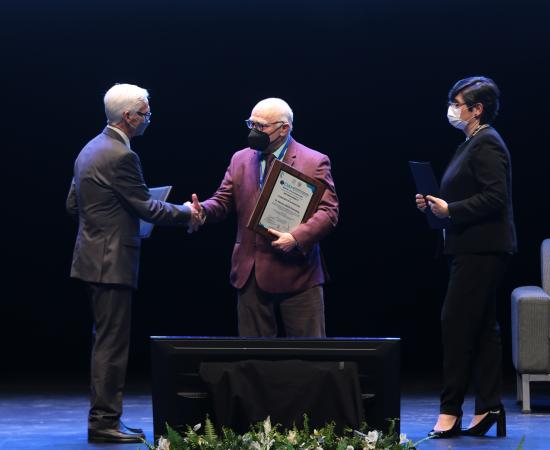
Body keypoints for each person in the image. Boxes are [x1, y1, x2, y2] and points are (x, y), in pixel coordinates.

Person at [66, 83, 201, 444]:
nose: (149, 118)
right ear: (128, 117)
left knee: (105, 341)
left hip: (93, 257)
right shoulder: (122, 156)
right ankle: (104, 422)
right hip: (110, 262)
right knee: (111, 346)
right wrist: (187, 212)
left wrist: (107, 220)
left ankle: (106, 419)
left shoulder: (90, 148)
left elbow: (73, 205)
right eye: (145, 113)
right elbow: (147, 207)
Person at [415, 76, 517, 438]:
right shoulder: (470, 143)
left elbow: (495, 197)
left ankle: (450, 410)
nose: (451, 110)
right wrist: (436, 205)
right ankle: (490, 408)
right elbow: (466, 192)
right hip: (468, 247)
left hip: (482, 248)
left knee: (456, 324)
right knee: (484, 328)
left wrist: (452, 209)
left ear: (477, 109)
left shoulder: (487, 142)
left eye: (457, 104)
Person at [189, 98, 339, 337]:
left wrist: (296, 238)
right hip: (250, 274)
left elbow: (329, 212)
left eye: (261, 126)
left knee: (308, 354)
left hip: (299, 275)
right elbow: (223, 200)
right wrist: (202, 211)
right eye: (251, 124)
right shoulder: (240, 159)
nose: (254, 131)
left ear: (284, 128)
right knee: (253, 355)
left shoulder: (313, 161)